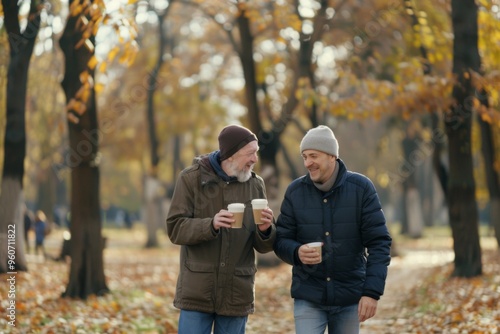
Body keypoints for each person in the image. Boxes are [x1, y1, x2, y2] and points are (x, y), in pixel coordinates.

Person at [274, 125, 392, 334]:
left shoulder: (361, 188)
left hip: (349, 297)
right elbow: (281, 239)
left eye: (313, 156)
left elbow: (379, 243)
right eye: (304, 157)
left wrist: (371, 293)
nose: (307, 163)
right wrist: (296, 252)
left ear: (332, 157)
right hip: (309, 296)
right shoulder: (295, 192)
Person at [166, 124, 277, 334]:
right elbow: (175, 228)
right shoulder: (190, 179)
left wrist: (265, 230)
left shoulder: (255, 185)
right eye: (250, 153)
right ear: (232, 155)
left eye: (256, 153)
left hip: (237, 292)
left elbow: (262, 246)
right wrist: (211, 224)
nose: (255, 159)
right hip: (198, 291)